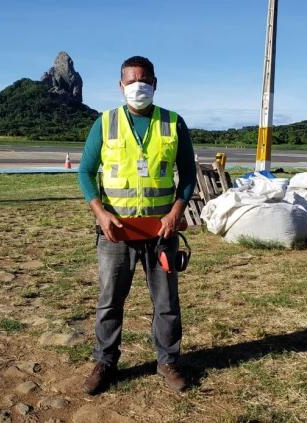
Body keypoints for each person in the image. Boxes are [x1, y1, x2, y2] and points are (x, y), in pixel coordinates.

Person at [77, 56, 196, 394]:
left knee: (166, 303)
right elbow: (85, 172)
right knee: (110, 300)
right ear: (120, 85)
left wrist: (176, 211)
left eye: (143, 80)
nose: (137, 87)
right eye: (131, 81)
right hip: (116, 234)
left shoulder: (174, 123)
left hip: (162, 234)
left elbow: (187, 176)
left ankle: (168, 361)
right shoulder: (105, 122)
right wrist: (100, 213)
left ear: (155, 83)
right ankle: (105, 361)